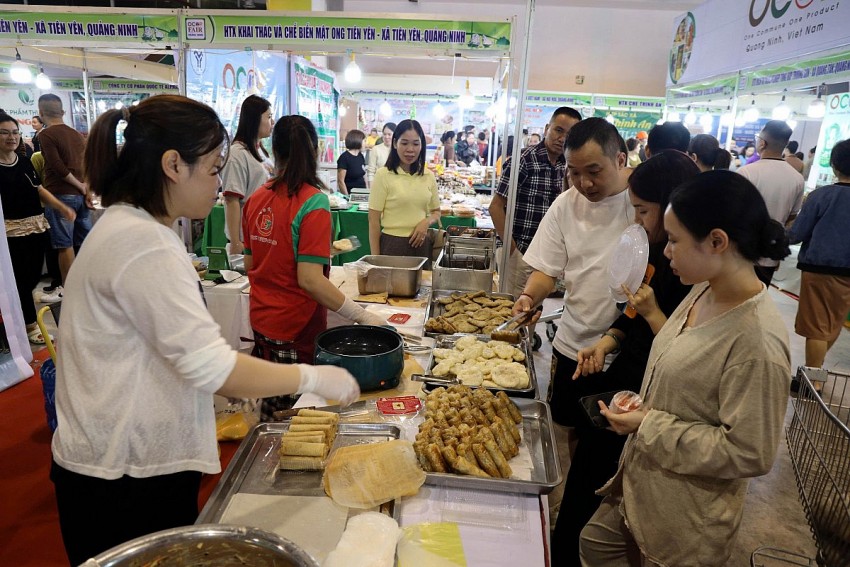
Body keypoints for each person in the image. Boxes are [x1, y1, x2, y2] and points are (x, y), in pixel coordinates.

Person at [50, 95, 361, 565]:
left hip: (119, 462)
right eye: (214, 169)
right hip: (122, 475)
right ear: (173, 165)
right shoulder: (143, 243)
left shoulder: (130, 228)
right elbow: (211, 365)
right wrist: (313, 379)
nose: (219, 184)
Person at [580, 170, 791, 567]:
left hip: (686, 518)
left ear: (717, 241)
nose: (667, 251)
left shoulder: (756, 341)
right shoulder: (702, 290)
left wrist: (648, 424)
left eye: (675, 241)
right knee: (594, 545)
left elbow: (750, 453)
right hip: (643, 487)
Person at [552, 151, 698, 565]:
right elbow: (630, 318)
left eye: (643, 211)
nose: (637, 221)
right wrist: (606, 342)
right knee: (585, 483)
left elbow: (682, 347)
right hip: (626, 384)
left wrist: (653, 314)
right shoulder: (656, 252)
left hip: (651, 400)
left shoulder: (691, 269)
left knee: (606, 498)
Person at [510, 118, 633, 507]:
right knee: (574, 424)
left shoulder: (642, 204)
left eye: (594, 171)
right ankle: (576, 498)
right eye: (574, 173)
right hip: (573, 340)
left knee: (614, 439)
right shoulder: (567, 204)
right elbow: (547, 269)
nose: (584, 183)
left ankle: (599, 504)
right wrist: (529, 298)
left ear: (621, 158)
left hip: (625, 346)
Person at [244, 115, 383, 420]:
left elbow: (252, 262)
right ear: (316, 152)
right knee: (299, 418)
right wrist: (360, 315)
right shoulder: (313, 202)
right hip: (296, 325)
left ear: (273, 149)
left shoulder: (256, 199)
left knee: (271, 407)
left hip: (262, 321)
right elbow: (309, 280)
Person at [489, 107, 581, 297]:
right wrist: (512, 250)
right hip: (520, 252)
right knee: (512, 312)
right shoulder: (524, 160)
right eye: (558, 130)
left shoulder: (568, 165)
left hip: (547, 257)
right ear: (547, 128)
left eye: (570, 134)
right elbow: (495, 207)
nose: (562, 138)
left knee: (531, 312)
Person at [0, 112, 75, 343]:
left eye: (15, 132)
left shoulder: (23, 160)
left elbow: (38, 189)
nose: (11, 137)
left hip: (36, 228)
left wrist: (61, 207)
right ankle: (30, 326)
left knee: (32, 278)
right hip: (10, 233)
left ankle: (23, 321)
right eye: (4, 133)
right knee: (20, 281)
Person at [788, 138, 850, 371]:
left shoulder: (821, 196)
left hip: (819, 269)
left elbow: (797, 234)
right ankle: (817, 370)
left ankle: (812, 380)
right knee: (833, 324)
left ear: (834, 165)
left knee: (816, 327)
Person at [37, 93, 91, 299]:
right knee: (83, 243)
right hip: (80, 195)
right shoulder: (77, 134)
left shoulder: (46, 135)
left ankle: (67, 292)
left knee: (64, 245)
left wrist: (78, 185)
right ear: (63, 111)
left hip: (60, 196)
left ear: (41, 113)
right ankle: (85, 287)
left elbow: (56, 166)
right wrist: (86, 188)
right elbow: (86, 165)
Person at [738, 120, 804, 286]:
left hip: (741, 252)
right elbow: (791, 219)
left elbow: (734, 213)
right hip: (770, 253)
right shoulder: (797, 178)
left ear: (762, 143)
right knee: (759, 299)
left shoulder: (747, 172)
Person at [368, 119, 440, 267]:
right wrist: (376, 261)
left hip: (421, 244)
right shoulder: (383, 175)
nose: (410, 149)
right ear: (395, 144)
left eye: (415, 143)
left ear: (422, 146)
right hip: (392, 245)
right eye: (404, 143)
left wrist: (426, 222)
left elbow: (436, 212)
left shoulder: (428, 176)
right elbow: (373, 221)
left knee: (423, 288)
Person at [221, 94, 273, 256]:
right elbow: (232, 200)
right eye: (269, 117)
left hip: (263, 231)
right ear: (254, 119)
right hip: (246, 239)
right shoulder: (237, 154)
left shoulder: (260, 150)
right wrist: (236, 242)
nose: (272, 122)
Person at [336, 129, 367, 195]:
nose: (365, 144)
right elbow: (341, 181)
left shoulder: (360, 156)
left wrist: (367, 192)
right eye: (364, 141)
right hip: (350, 195)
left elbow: (364, 175)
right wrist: (347, 198)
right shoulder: (344, 157)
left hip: (362, 194)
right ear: (358, 140)